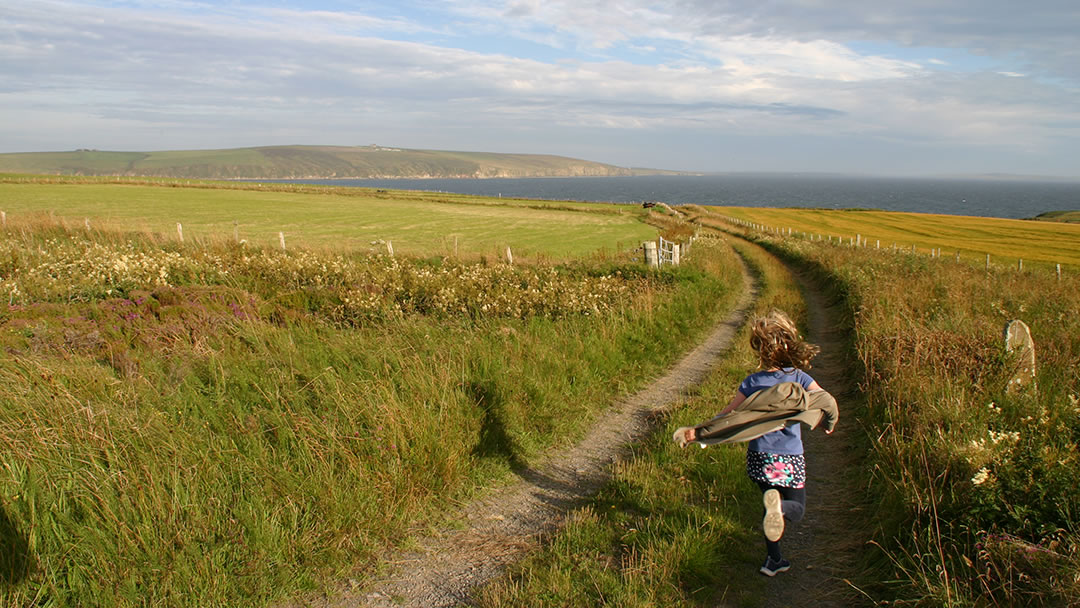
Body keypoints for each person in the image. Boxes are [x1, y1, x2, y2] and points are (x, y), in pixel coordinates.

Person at [673, 310, 836, 577]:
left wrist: (698, 433)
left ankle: (774, 559)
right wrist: (827, 423)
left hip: (760, 459)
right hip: (789, 457)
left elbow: (728, 418)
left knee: (768, 507)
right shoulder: (799, 379)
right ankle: (781, 508)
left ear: (759, 349)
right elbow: (827, 401)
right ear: (788, 343)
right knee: (795, 508)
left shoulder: (752, 382)